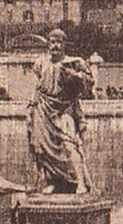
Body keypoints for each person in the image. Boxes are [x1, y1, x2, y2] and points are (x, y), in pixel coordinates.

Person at [28, 28, 95, 194]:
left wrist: (74, 76)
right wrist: (31, 107)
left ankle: (81, 182)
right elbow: (39, 86)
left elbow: (89, 83)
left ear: (64, 44)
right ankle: (53, 181)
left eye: (58, 42)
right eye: (52, 42)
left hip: (64, 109)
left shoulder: (75, 62)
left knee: (68, 143)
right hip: (43, 108)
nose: (54, 45)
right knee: (42, 148)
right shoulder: (40, 63)